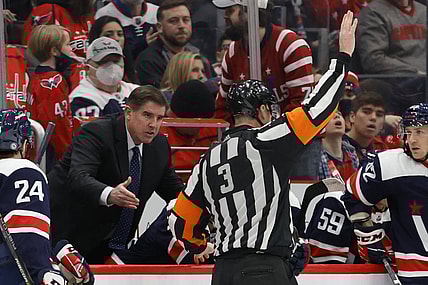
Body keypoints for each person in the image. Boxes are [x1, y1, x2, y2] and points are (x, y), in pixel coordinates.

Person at [168, 11, 357, 285]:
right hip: (264, 269)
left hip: (223, 273)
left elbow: (181, 223)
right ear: (263, 110)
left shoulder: (208, 159)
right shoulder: (268, 140)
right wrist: (342, 58)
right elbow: (317, 108)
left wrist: (199, 246)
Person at [49, 85, 184, 263]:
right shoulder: (96, 133)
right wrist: (110, 194)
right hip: (68, 238)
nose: (154, 125)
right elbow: (79, 177)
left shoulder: (159, 146)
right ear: (129, 113)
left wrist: (202, 204)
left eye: (159, 118)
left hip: (112, 246)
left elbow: (173, 190)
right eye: (147, 115)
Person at [0, 109, 92, 285]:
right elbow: (27, 232)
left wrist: (54, 249)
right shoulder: (21, 170)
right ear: (25, 144)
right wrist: (43, 270)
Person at [342, 103, 428, 285]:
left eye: (419, 132)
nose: (411, 140)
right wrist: (367, 233)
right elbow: (353, 193)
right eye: (409, 132)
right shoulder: (391, 164)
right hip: (414, 273)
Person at [212, 0, 314, 120]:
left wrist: (269, 134)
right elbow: (223, 110)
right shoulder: (232, 53)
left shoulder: (291, 45)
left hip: (289, 136)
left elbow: (303, 107)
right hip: (247, 136)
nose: (225, 16)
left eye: (230, 11)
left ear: (248, 11)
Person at [26, 25, 73, 171]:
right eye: (67, 44)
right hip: (51, 156)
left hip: (37, 150)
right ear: (54, 51)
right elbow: (57, 126)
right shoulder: (54, 82)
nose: (71, 49)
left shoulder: (34, 78)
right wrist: (69, 157)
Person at [135, 0, 211, 87]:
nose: (181, 26)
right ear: (160, 27)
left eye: (186, 20)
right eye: (174, 21)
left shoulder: (198, 54)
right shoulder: (148, 61)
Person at [70, 36, 139, 118]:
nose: (112, 67)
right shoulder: (81, 99)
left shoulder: (135, 91)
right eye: (104, 62)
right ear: (87, 68)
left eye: (116, 61)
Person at [160, 79, 217, 173]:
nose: (200, 127)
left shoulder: (213, 128)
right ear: (176, 117)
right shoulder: (159, 136)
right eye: (198, 123)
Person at [88, 15, 138, 84]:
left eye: (120, 34)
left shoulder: (130, 67)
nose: (116, 38)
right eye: (108, 35)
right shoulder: (89, 70)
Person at [343, 92, 387, 164]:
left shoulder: (382, 147)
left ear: (382, 124)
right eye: (366, 112)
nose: (373, 118)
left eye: (379, 115)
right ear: (352, 117)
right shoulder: (338, 146)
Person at [318, 110, 359, 182]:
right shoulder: (316, 156)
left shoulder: (352, 153)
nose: (337, 116)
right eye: (330, 115)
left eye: (339, 114)